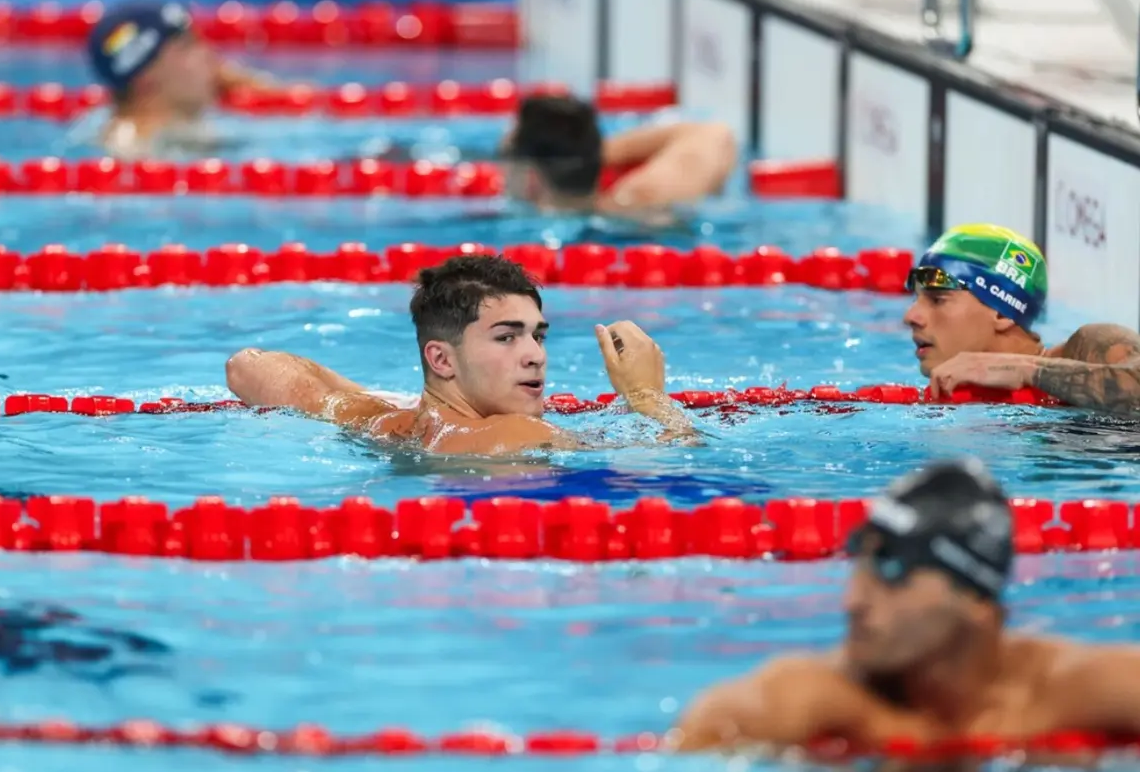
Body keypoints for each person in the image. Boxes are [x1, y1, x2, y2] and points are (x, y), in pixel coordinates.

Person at [670, 457, 1140, 761]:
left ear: (975, 599)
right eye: (863, 564)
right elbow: (707, 730)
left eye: (893, 571)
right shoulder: (819, 699)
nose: (853, 601)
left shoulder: (1068, 691)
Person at [225, 254, 699, 455]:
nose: (535, 355)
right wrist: (645, 394)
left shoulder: (376, 421)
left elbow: (247, 366)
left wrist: (401, 401)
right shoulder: (518, 433)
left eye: (538, 336)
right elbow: (675, 454)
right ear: (442, 360)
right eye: (507, 337)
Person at [906, 223, 1140, 414]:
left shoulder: (1088, 347)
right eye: (916, 299)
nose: (911, 317)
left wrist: (1022, 370)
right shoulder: (950, 405)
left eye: (938, 300)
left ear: (1001, 312)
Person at [85, 0, 276, 159]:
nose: (209, 54)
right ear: (145, 78)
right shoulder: (134, 149)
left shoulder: (181, 129)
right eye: (188, 46)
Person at [499, 93, 737, 219]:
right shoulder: (637, 201)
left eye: (506, 156)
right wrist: (586, 151)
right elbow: (715, 133)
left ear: (531, 178)